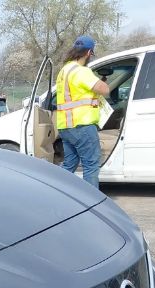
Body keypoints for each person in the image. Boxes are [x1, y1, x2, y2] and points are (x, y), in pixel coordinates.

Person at [55, 35, 110, 188]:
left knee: (69, 165)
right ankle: (92, 203)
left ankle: (58, 194)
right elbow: (104, 89)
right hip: (82, 125)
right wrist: (102, 82)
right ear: (88, 53)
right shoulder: (81, 71)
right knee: (91, 165)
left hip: (66, 126)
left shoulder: (64, 71)